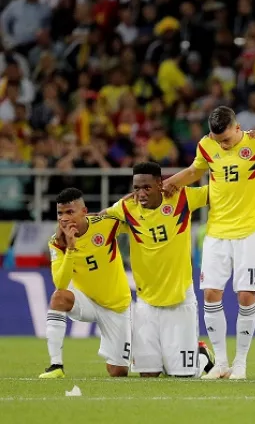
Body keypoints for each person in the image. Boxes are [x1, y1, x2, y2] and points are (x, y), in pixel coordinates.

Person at [163, 106, 255, 380]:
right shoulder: (207, 145)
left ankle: (241, 363)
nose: (221, 144)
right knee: (211, 294)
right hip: (216, 232)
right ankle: (221, 362)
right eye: (216, 139)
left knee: (246, 296)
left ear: (238, 128)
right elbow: (193, 172)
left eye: (226, 139)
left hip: (247, 232)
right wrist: (170, 183)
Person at [104, 162, 213, 377]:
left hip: (180, 300)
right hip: (146, 304)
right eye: (136, 188)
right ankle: (167, 358)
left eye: (146, 187)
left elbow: (219, 190)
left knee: (183, 376)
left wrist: (180, 180)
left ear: (160, 184)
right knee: (148, 375)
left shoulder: (182, 198)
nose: (140, 193)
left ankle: (201, 355)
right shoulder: (127, 208)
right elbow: (97, 222)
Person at [39, 188, 131, 379]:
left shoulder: (105, 225)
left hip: (116, 306)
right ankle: (56, 365)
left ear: (84, 211)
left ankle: (141, 353)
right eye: (60, 213)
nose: (64, 218)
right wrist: (70, 249)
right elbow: (61, 283)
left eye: (70, 212)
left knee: (118, 371)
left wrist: (120, 205)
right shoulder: (57, 242)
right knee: (59, 297)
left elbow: (132, 218)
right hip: (85, 301)